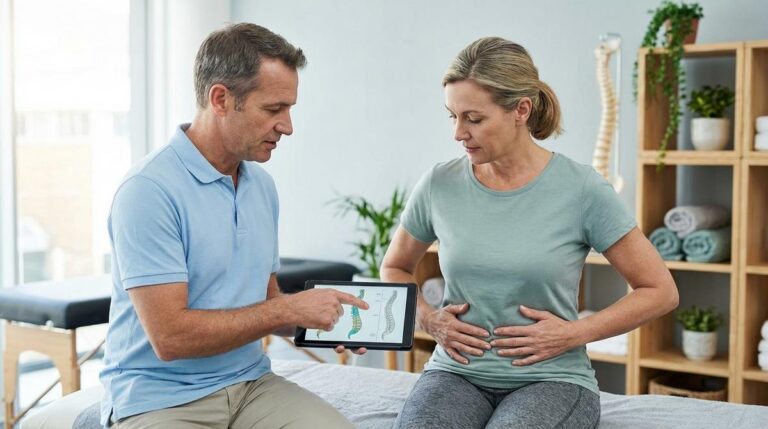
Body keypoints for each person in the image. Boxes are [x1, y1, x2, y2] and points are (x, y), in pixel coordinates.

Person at [381, 37, 679, 429]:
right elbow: (395, 267)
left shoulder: (581, 189)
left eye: (474, 118)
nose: (458, 132)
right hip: (455, 373)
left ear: (521, 110)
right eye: (452, 116)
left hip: (551, 379)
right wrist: (428, 319)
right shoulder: (440, 183)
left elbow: (660, 291)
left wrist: (572, 334)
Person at [99, 23, 368, 429]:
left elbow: (265, 301)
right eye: (274, 109)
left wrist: (320, 320)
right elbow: (171, 339)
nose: (288, 126)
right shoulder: (148, 191)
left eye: (290, 109)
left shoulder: (261, 186)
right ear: (221, 99)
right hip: (160, 398)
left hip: (251, 385)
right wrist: (288, 307)